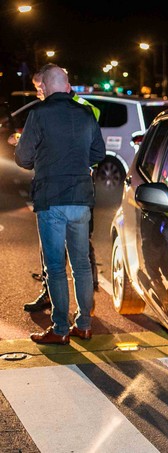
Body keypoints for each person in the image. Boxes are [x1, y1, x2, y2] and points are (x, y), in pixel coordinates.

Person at [15, 65, 105, 344]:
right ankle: (85, 324)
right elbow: (98, 152)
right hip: (80, 197)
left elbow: (23, 157)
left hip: (51, 198)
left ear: (46, 86)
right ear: (66, 85)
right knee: (80, 264)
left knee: (55, 267)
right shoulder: (86, 113)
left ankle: (60, 328)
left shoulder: (39, 114)